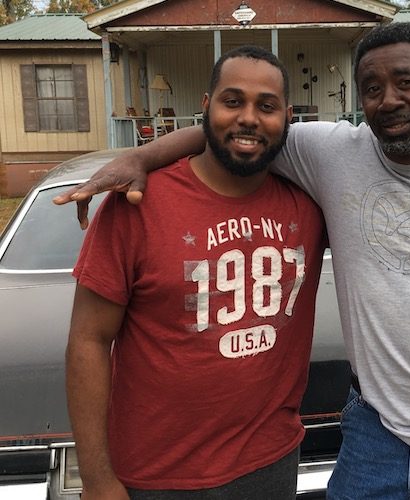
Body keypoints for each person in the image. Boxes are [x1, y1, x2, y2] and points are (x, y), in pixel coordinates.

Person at [57, 22, 410, 499]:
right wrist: (140, 155)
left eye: (406, 82)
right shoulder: (330, 152)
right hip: (371, 430)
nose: (389, 99)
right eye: (373, 87)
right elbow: (237, 132)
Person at [66, 46, 329, 499]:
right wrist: (96, 478)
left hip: (269, 465)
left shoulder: (310, 203)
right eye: (232, 101)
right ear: (206, 107)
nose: (249, 117)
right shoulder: (137, 203)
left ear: (287, 117)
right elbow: (88, 341)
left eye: (266, 106)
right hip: (155, 476)